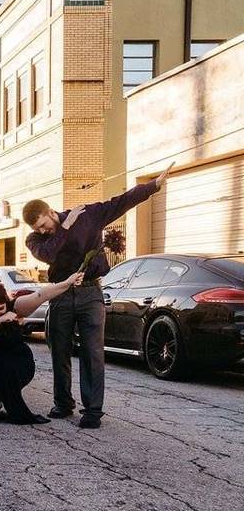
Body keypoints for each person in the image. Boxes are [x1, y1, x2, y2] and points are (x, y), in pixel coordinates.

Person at [22, 164, 172, 429]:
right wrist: (64, 228)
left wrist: (153, 186)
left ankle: (92, 410)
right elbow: (48, 255)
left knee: (92, 352)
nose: (43, 230)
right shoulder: (34, 239)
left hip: (91, 292)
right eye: (39, 228)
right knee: (59, 350)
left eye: (44, 224)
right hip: (61, 294)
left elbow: (121, 202)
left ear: (49, 212)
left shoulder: (88, 215)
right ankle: (63, 403)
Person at [0, 272, 83, 424]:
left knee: (3, 366)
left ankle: (13, 406)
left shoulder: (15, 306)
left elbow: (41, 295)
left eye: (1, 308)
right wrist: (0, 320)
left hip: (16, 363)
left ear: (6, 302)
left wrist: (68, 282)